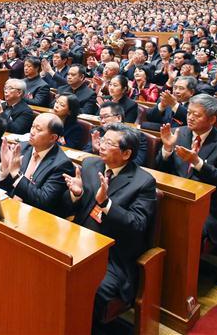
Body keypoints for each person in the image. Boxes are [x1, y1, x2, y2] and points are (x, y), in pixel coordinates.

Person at [62, 124, 157, 325]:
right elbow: (66, 208)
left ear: (126, 153)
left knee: (87, 289)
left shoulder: (143, 182)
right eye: (102, 140)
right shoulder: (89, 165)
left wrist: (107, 204)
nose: (102, 145)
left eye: (109, 143)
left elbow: (137, 224)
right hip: (77, 243)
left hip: (112, 256)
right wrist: (76, 194)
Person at [155, 94, 217, 247]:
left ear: (212, 119)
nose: (190, 117)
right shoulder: (178, 133)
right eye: (188, 113)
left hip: (206, 206)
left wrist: (197, 162)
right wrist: (167, 149)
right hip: (173, 197)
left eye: (196, 115)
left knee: (180, 230)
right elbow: (160, 170)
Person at [0, 112, 74, 216]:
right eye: (32, 126)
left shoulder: (62, 165)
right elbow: (4, 186)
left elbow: (43, 201)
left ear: (53, 138)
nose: (32, 132)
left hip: (34, 216)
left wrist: (16, 174)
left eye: (38, 129)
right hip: (10, 207)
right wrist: (5, 168)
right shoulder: (23, 148)